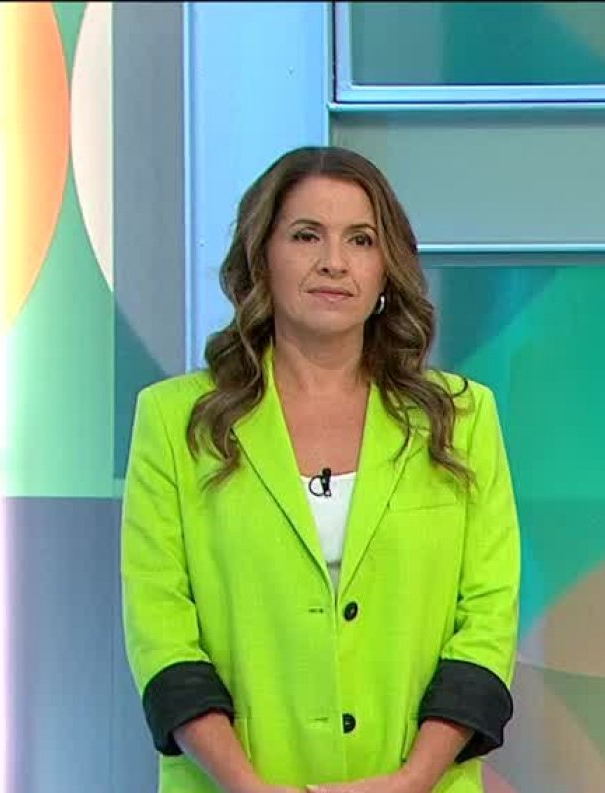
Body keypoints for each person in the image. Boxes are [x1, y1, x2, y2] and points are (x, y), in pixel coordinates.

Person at [121, 146, 521, 793]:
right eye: (307, 235)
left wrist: (413, 779)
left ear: (387, 267)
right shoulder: (175, 422)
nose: (334, 261)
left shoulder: (462, 419)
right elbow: (161, 632)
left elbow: (487, 619)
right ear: (262, 258)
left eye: (361, 240)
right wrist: (249, 786)